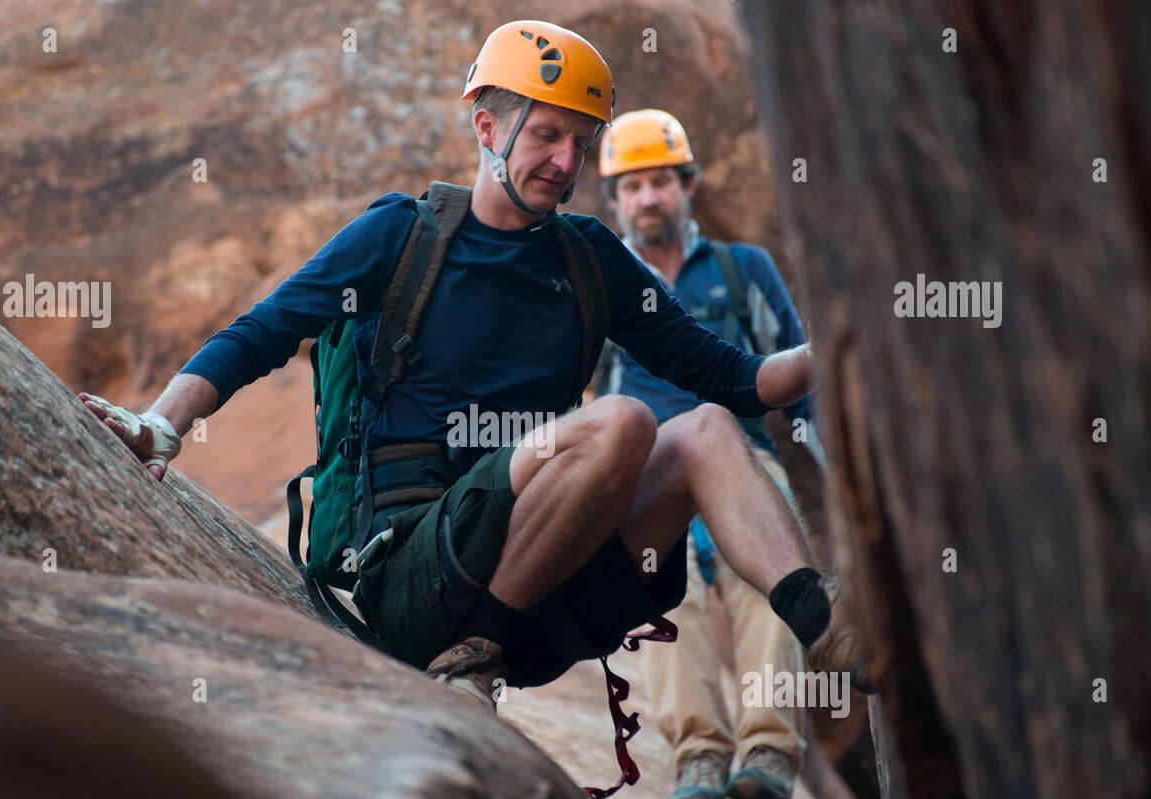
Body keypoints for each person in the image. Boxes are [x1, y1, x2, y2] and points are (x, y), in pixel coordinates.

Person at [79, 22, 873, 761]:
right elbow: (262, 330)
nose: (566, 161)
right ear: (486, 128)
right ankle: (469, 661)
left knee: (703, 429)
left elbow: (737, 380)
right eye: (546, 134)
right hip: (413, 578)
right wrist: (161, 425)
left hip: (546, 597)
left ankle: (823, 626)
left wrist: (850, 335)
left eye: (580, 142)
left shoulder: (590, 258)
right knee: (624, 420)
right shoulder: (401, 234)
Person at [598, 109, 827, 799]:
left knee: (774, 582)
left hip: (744, 460)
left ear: (688, 183)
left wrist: (826, 454)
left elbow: (796, 364)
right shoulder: (602, 279)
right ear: (614, 199)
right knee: (662, 599)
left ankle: (768, 750)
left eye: (660, 181)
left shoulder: (742, 268)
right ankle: (697, 753)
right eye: (632, 186)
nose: (647, 198)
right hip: (648, 469)